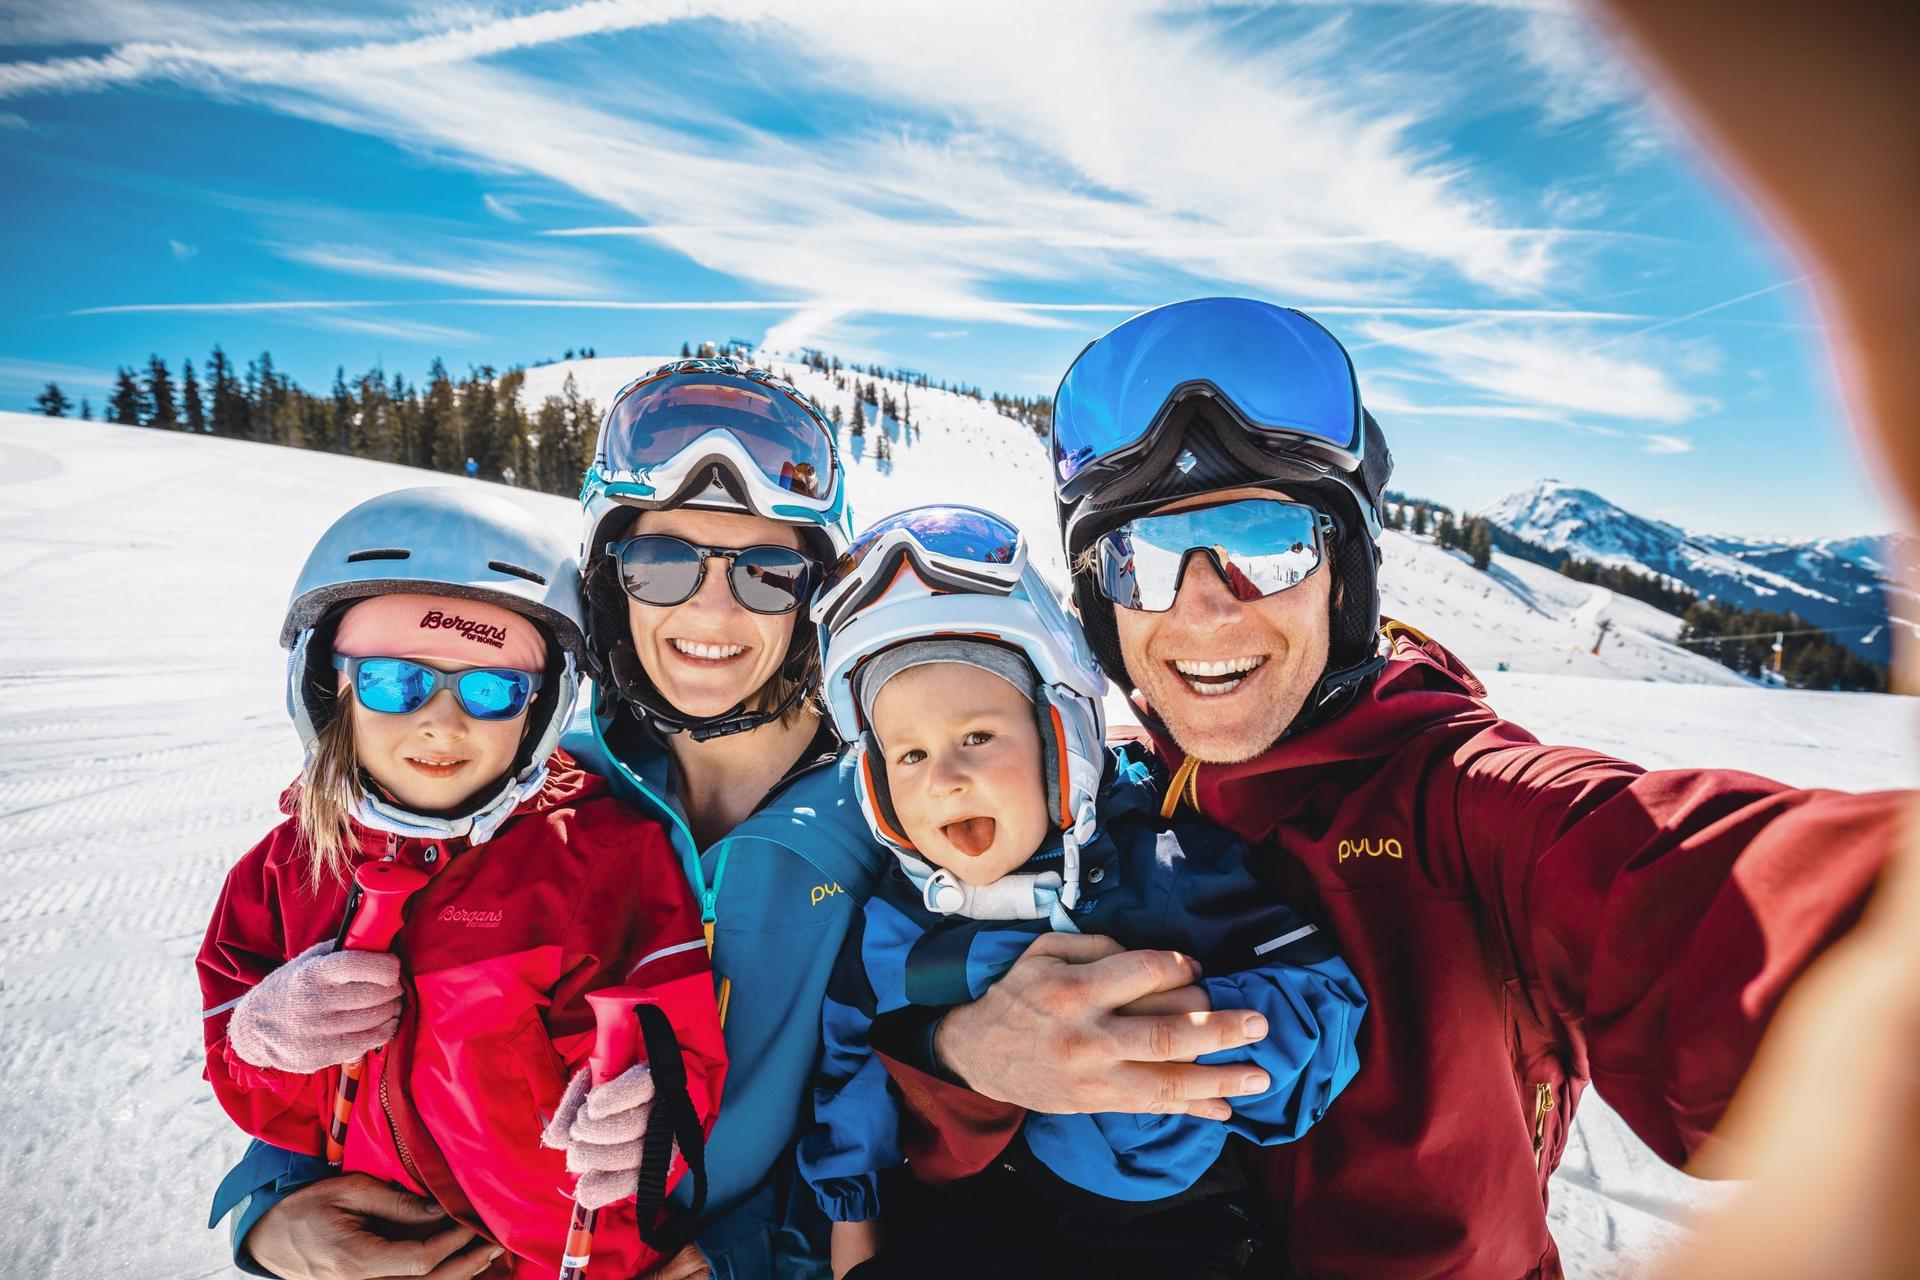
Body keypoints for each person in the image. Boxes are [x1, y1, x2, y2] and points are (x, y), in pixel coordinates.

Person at [870, 298, 1907, 1279]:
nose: (1202, 611)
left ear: (1345, 571)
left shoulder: (1476, 809)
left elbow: (1716, 889)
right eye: (1144, 560)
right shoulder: (1118, 798)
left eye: (1264, 545)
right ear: (1102, 608)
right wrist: (963, 1050)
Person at [213, 359, 889, 1280]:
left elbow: (895, 1104)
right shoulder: (520, 777)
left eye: (768, 572)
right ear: (611, 579)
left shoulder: (889, 810)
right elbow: (358, 997)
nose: (713, 608)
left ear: (814, 593)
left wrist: (734, 1257)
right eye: (663, 562)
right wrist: (274, 1203)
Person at [796, 505, 1365, 1278]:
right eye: (910, 755)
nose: (944, 779)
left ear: (1060, 735)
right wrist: (853, 1212)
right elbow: (851, 1065)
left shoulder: (1161, 868)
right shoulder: (895, 926)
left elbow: (1324, 1002)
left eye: (976, 737)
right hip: (968, 1214)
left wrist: (1197, 1043)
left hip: (1159, 1226)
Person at [197, 486, 727, 1277]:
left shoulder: (602, 857)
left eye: (489, 689)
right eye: (393, 682)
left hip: (572, 1254)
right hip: (383, 1250)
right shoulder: (283, 870)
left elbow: (671, 1028)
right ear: (329, 683)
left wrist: (649, 1110)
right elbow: (260, 1082)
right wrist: (261, 1043)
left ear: (539, 707)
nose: (442, 724)